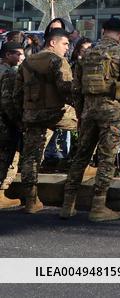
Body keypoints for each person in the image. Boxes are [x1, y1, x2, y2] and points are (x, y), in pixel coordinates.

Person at [60, 18, 120, 222]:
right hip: (112, 111)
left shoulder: (87, 54)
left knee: (81, 156)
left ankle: (68, 205)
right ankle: (98, 207)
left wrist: (80, 111)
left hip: (88, 111)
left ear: (102, 31)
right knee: (107, 158)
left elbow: (76, 88)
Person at [13, 28, 75, 213]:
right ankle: (83, 166)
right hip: (56, 113)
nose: (67, 48)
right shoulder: (58, 61)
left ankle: (31, 200)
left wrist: (22, 117)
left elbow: (17, 94)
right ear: (52, 43)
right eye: (64, 44)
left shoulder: (28, 63)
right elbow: (67, 89)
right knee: (92, 126)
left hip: (32, 115)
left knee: (31, 157)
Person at [0, 42, 25, 209]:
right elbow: (7, 101)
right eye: (17, 54)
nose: (20, 57)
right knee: (4, 157)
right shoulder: (8, 73)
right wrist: (16, 120)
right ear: (8, 55)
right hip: (4, 122)